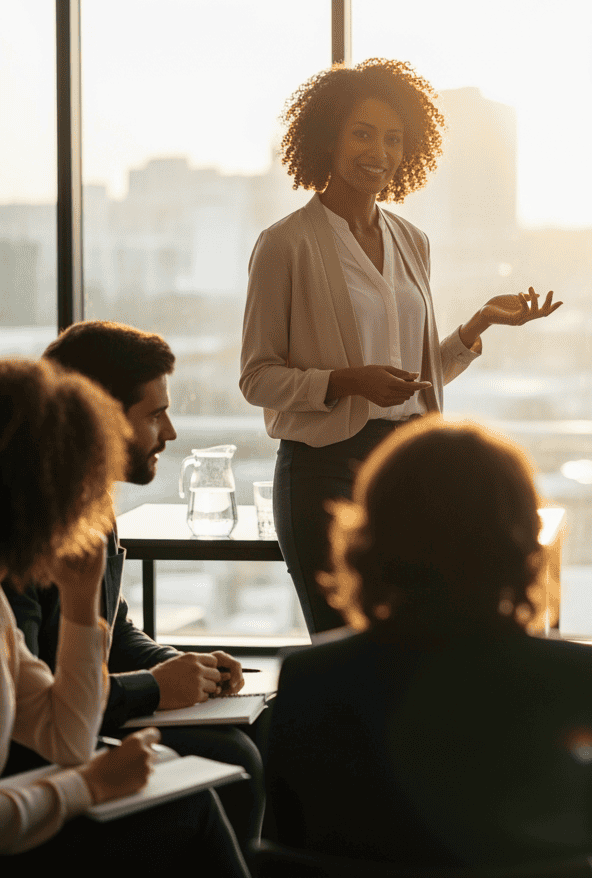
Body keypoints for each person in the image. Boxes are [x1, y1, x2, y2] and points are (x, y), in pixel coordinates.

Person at [240, 58, 560, 634]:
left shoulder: (413, 241)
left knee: (422, 640)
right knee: (344, 647)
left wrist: (477, 326)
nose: (379, 151)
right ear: (327, 137)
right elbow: (257, 377)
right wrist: (344, 381)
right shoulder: (284, 244)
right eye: (362, 132)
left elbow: (415, 378)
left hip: (412, 467)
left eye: (394, 138)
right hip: (323, 470)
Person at [263, 418, 592, 875]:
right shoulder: (585, 679)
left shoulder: (310, 680)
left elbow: (288, 860)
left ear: (371, 538)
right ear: (519, 543)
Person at [0, 359, 247, 876]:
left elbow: (68, 738)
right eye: (82, 486)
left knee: (194, 802)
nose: (88, 510)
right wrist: (92, 784)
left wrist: (82, 607)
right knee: (192, 813)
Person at [0, 320, 266, 845]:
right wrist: (153, 688)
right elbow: (20, 707)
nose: (169, 433)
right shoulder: (17, 533)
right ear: (100, 421)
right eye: (155, 414)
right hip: (37, 746)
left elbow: (113, 630)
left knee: (257, 732)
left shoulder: (91, 505)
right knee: (233, 759)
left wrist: (173, 665)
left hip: (86, 710)